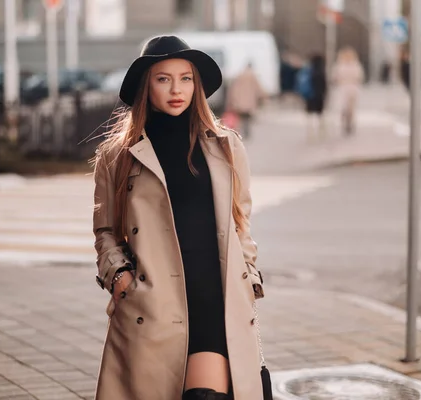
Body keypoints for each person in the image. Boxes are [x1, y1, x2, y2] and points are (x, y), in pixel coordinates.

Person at [91, 35, 265, 400]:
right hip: (153, 306)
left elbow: (240, 222)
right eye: (163, 78)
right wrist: (121, 277)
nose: (177, 89)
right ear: (145, 85)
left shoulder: (225, 146)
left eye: (186, 78)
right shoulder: (117, 155)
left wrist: (247, 277)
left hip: (215, 302)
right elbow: (106, 230)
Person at [225, 62, 266, 139]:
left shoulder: (239, 75)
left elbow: (233, 89)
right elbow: (258, 88)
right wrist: (264, 96)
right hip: (249, 102)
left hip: (239, 101)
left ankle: (240, 133)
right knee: (247, 118)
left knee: (240, 118)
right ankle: (246, 132)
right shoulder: (253, 76)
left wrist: (231, 101)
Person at [331, 46, 365, 135]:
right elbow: (360, 77)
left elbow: (334, 77)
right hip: (351, 87)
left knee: (346, 107)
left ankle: (347, 122)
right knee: (349, 108)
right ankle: (348, 123)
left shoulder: (340, 65)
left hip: (345, 88)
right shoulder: (355, 65)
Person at [303, 54, 328, 140]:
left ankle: (310, 131)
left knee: (310, 114)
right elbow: (324, 85)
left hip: (309, 95)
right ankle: (321, 131)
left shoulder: (308, 70)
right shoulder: (321, 71)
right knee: (319, 114)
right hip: (319, 95)